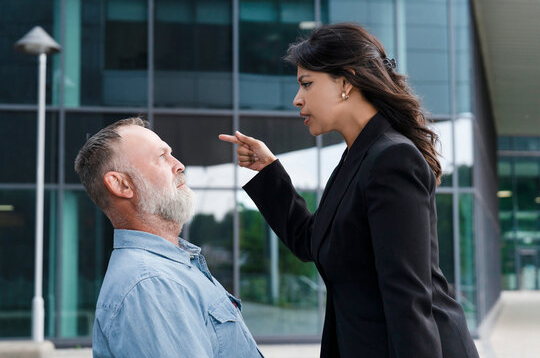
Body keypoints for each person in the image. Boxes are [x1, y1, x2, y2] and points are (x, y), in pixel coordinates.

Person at [219, 23, 479, 358]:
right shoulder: (355, 159)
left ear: (345, 82)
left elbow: (408, 297)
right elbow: (312, 241)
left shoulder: (392, 159)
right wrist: (268, 172)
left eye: (306, 84)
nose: (297, 99)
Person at [75, 118, 262, 358]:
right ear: (121, 184)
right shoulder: (150, 286)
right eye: (162, 156)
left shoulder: (170, 268)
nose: (179, 165)